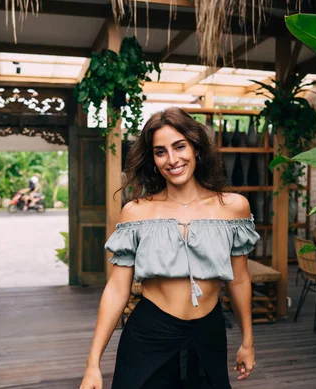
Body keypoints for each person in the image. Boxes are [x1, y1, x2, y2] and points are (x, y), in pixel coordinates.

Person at [80, 107, 259, 389]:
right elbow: (116, 288)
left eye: (180, 147)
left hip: (209, 335)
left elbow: (239, 279)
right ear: (152, 159)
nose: (172, 159)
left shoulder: (233, 207)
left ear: (196, 149)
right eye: (160, 151)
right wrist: (93, 364)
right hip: (149, 335)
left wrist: (247, 341)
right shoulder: (136, 212)